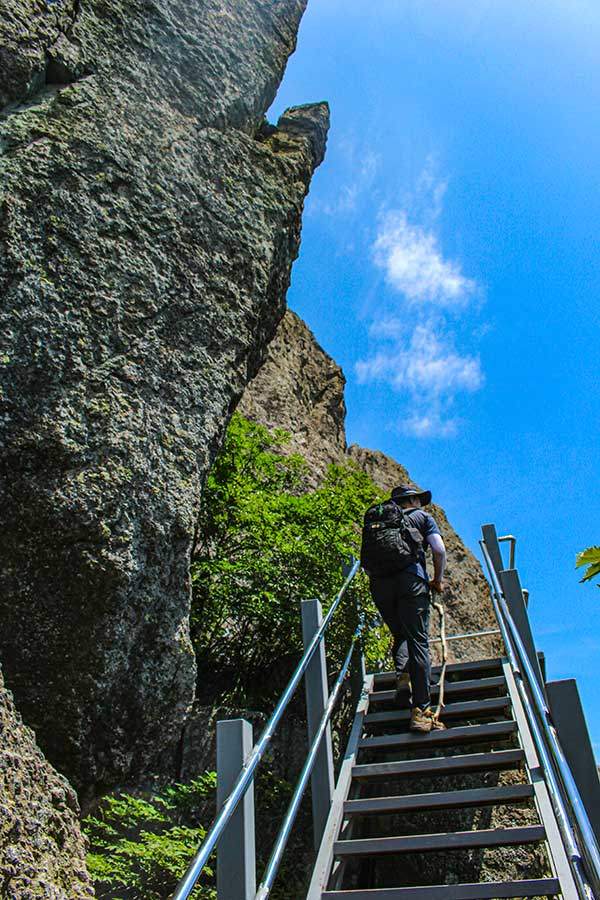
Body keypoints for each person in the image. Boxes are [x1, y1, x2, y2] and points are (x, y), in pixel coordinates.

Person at [368, 484, 447, 733]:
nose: (421, 503)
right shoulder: (422, 517)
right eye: (419, 499)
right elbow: (439, 550)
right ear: (412, 500)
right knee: (418, 640)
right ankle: (421, 711)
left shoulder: (379, 521)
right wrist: (437, 580)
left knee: (400, 634)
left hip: (380, 586)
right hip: (411, 581)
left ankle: (403, 680)